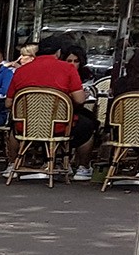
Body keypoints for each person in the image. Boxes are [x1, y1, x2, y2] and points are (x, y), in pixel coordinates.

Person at [8, 34, 98, 178]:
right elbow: (80, 99)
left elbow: (8, 103)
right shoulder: (68, 69)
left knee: (13, 125)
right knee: (88, 125)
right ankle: (83, 167)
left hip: (26, 125)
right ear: (58, 52)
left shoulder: (21, 70)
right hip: (58, 125)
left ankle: (12, 164)